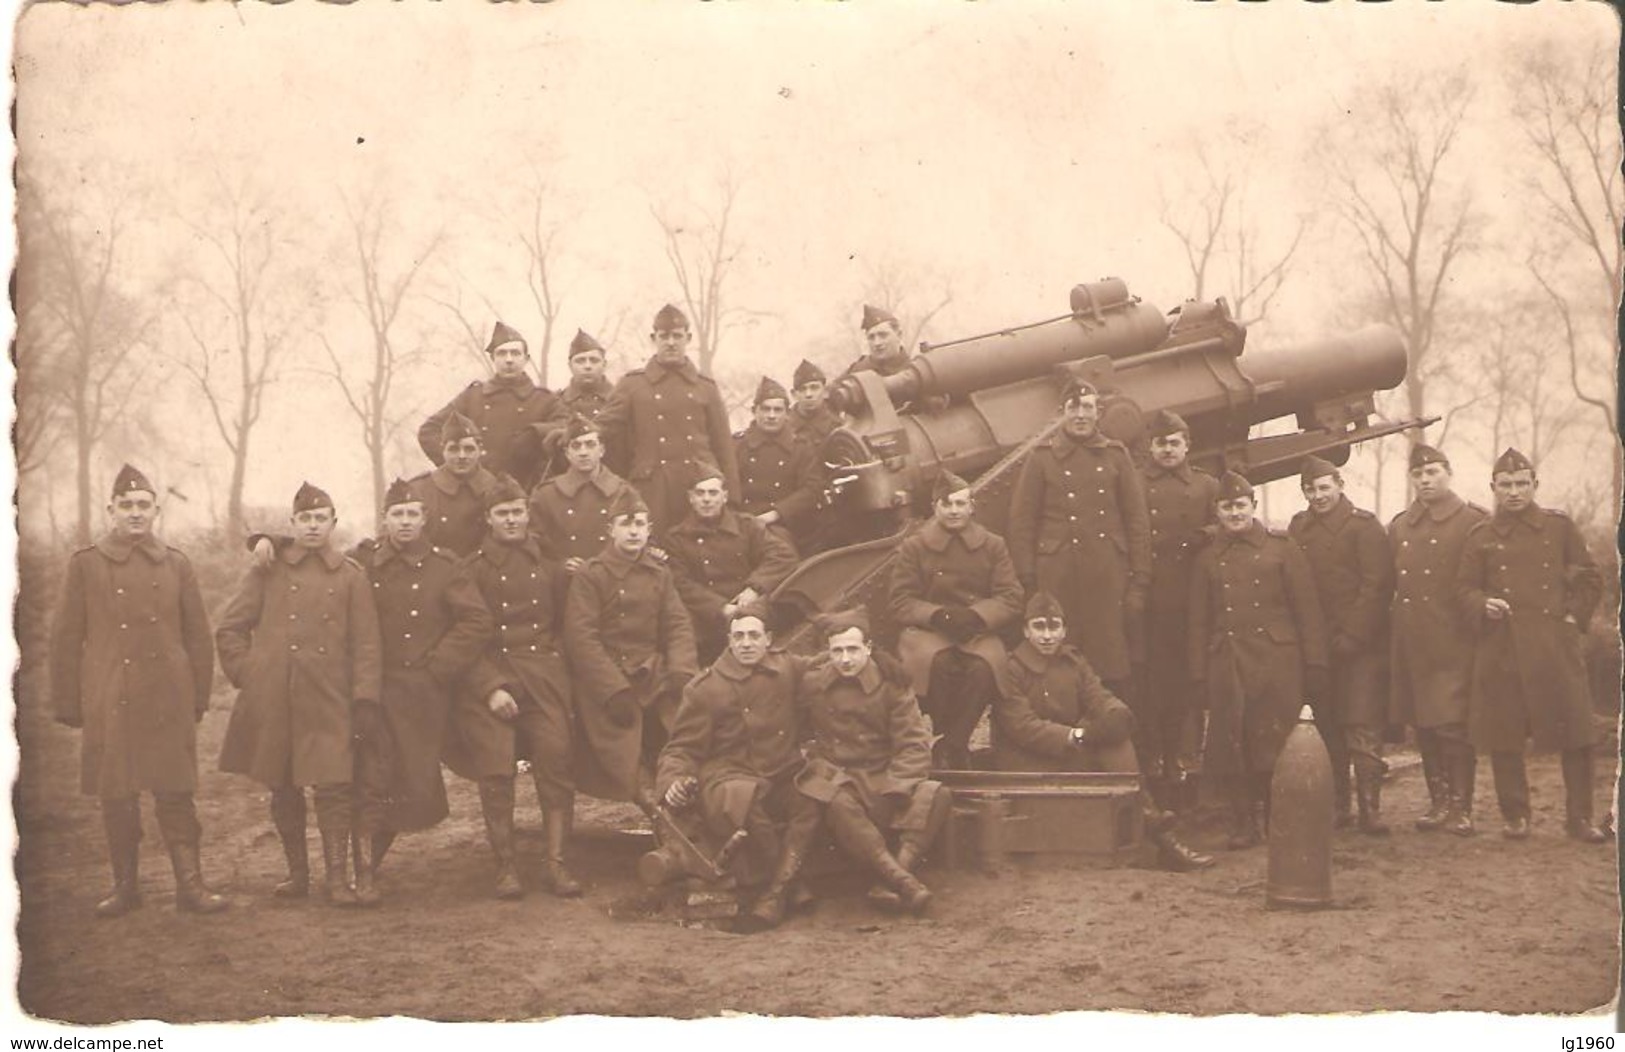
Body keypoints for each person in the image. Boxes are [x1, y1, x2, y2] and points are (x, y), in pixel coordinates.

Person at [49, 465, 227, 917]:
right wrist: (69, 702)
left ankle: (191, 886)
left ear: (156, 510)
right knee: (118, 794)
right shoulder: (86, 563)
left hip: (168, 694)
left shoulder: (176, 563)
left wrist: (199, 697)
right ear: (111, 510)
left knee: (175, 792)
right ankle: (125, 887)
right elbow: (66, 637)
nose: (134, 513)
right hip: (113, 695)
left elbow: (198, 636)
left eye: (143, 506)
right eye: (125, 506)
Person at [217, 482, 383, 905]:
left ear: (334, 523)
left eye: (320, 519)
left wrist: (364, 698)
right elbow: (231, 628)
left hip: (330, 697)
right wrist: (249, 674)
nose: (313, 526)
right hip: (276, 698)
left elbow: (367, 644)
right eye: (305, 519)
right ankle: (298, 875)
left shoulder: (350, 576)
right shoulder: (268, 570)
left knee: (333, 786)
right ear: (292, 524)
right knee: (282, 785)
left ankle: (337, 879)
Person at [992, 592, 1214, 872]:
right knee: (1111, 749)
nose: (1047, 636)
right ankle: (1156, 828)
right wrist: (1076, 736)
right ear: (1025, 630)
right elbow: (1022, 727)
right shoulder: (1011, 668)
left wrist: (1115, 715)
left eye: (1054, 627)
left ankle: (1155, 830)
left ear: (1064, 630)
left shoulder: (1073, 661)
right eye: (1039, 627)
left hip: (1065, 751)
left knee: (1116, 741)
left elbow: (1099, 696)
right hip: (1027, 761)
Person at [348, 478, 493, 905]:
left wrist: (440, 666)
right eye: (398, 514)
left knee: (407, 781)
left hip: (422, 693)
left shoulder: (446, 566)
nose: (406, 522)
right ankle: (363, 874)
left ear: (425, 518)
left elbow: (476, 622)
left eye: (413, 514)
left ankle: (368, 865)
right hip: (372, 687)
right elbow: (319, 561)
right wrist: (270, 541)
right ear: (385, 519)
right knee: (369, 777)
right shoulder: (364, 561)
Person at [1457, 448, 1605, 844]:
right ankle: (1516, 816)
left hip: (1554, 645)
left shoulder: (1559, 528)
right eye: (1505, 485)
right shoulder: (1481, 536)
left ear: (1535, 485)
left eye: (1522, 484)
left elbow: (1589, 576)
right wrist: (1481, 604)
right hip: (1502, 646)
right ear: (1493, 488)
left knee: (1576, 731)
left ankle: (1580, 819)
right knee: (1504, 733)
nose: (1514, 492)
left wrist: (1573, 618)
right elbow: (1462, 589)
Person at [447, 475, 584, 898]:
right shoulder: (470, 571)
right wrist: (490, 688)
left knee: (556, 760)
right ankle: (506, 867)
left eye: (517, 512)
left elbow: (569, 623)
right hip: (491, 679)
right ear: (489, 519)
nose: (511, 520)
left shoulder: (551, 564)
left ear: (528, 514)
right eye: (502, 513)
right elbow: (462, 636)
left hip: (544, 678)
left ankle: (556, 864)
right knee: (496, 768)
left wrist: (555, 660)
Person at [657, 604, 823, 931]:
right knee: (745, 799)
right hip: (728, 775)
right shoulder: (706, 688)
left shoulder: (788, 668)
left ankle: (778, 890)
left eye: (753, 636)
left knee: (813, 794)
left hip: (780, 771)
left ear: (769, 640)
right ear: (729, 641)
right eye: (738, 637)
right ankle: (783, 891)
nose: (746, 644)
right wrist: (672, 781)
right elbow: (682, 748)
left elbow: (827, 665)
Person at [1188, 471, 1328, 850]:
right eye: (1226, 507)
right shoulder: (1207, 559)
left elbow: (1307, 611)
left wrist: (1314, 664)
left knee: (1275, 741)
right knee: (1235, 742)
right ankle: (1243, 822)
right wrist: (1199, 674)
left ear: (1254, 506)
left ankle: (1276, 817)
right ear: (1217, 511)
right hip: (1228, 661)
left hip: (1276, 661)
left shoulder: (1282, 549)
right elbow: (1198, 621)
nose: (1234, 513)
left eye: (1240, 505)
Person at [794, 610, 951, 915]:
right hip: (841, 775)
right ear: (827, 653)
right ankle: (903, 883)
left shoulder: (892, 684)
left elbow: (913, 745)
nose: (845, 659)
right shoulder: (814, 684)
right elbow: (797, 730)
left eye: (853, 649)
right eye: (837, 651)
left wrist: (898, 786)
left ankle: (893, 878)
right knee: (838, 803)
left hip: (884, 774)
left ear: (868, 647)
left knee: (936, 794)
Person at [1008, 378, 1151, 707]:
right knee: (1060, 658)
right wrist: (1029, 581)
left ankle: (1113, 734)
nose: (1081, 415)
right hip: (1058, 575)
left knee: (1111, 659)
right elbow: (1022, 523)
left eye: (1087, 408)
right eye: (1073, 408)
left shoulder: (1116, 455)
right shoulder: (1041, 458)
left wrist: (1140, 579)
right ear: (1062, 413)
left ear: (1099, 413)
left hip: (1108, 575)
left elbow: (1137, 521)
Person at [564, 486, 699, 808]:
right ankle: (651, 805)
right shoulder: (590, 575)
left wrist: (681, 670)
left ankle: (679, 802)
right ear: (610, 529)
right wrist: (612, 690)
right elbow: (581, 638)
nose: (634, 530)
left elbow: (677, 623)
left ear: (649, 529)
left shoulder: (658, 572)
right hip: (607, 681)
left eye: (640, 523)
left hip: (652, 673)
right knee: (624, 751)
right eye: (626, 523)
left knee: (682, 735)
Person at [1288, 455, 1394, 835]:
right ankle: (1339, 807)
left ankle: (1371, 810)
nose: (1318, 496)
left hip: (1361, 647)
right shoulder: (1298, 528)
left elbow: (1376, 585)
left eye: (1323, 487)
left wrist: (1353, 634)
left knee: (1362, 726)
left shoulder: (1363, 527)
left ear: (1339, 484)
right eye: (1310, 490)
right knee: (1327, 725)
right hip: (1319, 647)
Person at [889, 469, 1023, 769]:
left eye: (960, 504)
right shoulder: (915, 546)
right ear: (935, 506)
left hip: (976, 631)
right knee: (938, 667)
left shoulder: (992, 545)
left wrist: (977, 615)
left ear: (972, 507)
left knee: (982, 670)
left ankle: (955, 744)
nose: (953, 511)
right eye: (946, 504)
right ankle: (943, 738)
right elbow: (900, 600)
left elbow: (1011, 596)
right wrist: (937, 614)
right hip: (930, 631)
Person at [1387, 443, 1489, 836]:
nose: (1425, 481)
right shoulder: (1400, 525)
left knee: (1452, 724)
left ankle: (1462, 807)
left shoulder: (1472, 522)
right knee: (1424, 724)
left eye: (1432, 472)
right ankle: (1439, 802)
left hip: (1454, 640)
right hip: (1412, 641)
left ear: (1448, 472)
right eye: (1418, 474)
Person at [594, 304, 741, 539]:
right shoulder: (633, 385)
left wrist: (731, 498)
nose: (671, 342)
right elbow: (603, 428)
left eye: (677, 336)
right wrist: (565, 433)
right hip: (653, 490)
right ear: (654, 338)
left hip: (699, 489)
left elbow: (724, 447)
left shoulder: (706, 387)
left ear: (688, 338)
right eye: (664, 336)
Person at [1136, 409, 1218, 813]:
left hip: (1192, 606)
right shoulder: (1135, 483)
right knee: (1151, 690)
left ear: (1187, 445)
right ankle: (1154, 768)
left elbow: (1227, 521)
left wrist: (1202, 535)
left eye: (1174, 443)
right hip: (1148, 605)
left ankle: (1186, 768)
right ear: (1150, 448)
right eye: (1160, 443)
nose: (1167, 450)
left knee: (1190, 690)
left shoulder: (1206, 486)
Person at [664, 461, 798, 666]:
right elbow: (680, 583)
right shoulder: (677, 538)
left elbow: (783, 556)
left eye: (713, 493)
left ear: (724, 496)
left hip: (751, 612)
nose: (707, 499)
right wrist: (720, 608)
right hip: (707, 619)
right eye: (700, 494)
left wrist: (754, 588)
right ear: (691, 498)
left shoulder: (747, 526)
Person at [418, 320, 570, 491]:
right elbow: (429, 431)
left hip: (526, 493)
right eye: (502, 354)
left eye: (515, 353)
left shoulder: (544, 400)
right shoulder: (473, 397)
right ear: (493, 358)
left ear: (526, 359)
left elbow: (568, 428)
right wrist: (456, 466)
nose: (509, 360)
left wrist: (536, 433)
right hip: (476, 492)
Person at [528, 414, 635, 573]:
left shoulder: (623, 491)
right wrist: (560, 566)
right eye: (576, 446)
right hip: (565, 583)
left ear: (602, 450)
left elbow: (637, 539)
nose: (583, 452)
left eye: (590, 445)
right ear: (567, 453)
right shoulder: (546, 495)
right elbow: (532, 545)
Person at [734, 375, 820, 548]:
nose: (771, 416)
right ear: (754, 411)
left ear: (787, 413)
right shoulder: (737, 446)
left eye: (777, 410)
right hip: (742, 525)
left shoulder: (801, 447)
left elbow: (812, 489)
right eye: (765, 409)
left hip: (786, 526)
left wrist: (776, 514)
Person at [839, 305, 947, 414]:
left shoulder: (918, 373)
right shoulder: (858, 370)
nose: (877, 343)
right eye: (871, 337)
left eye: (883, 335)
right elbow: (830, 399)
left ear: (899, 335)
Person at [560, 328, 615, 421]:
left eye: (594, 360)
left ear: (604, 364)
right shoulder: (557, 403)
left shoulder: (620, 400)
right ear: (570, 366)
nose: (587, 366)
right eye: (580, 361)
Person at [788, 358, 841, 445]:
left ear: (825, 391)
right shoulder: (784, 427)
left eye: (814, 388)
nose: (808, 394)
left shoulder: (837, 427)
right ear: (794, 394)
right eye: (802, 389)